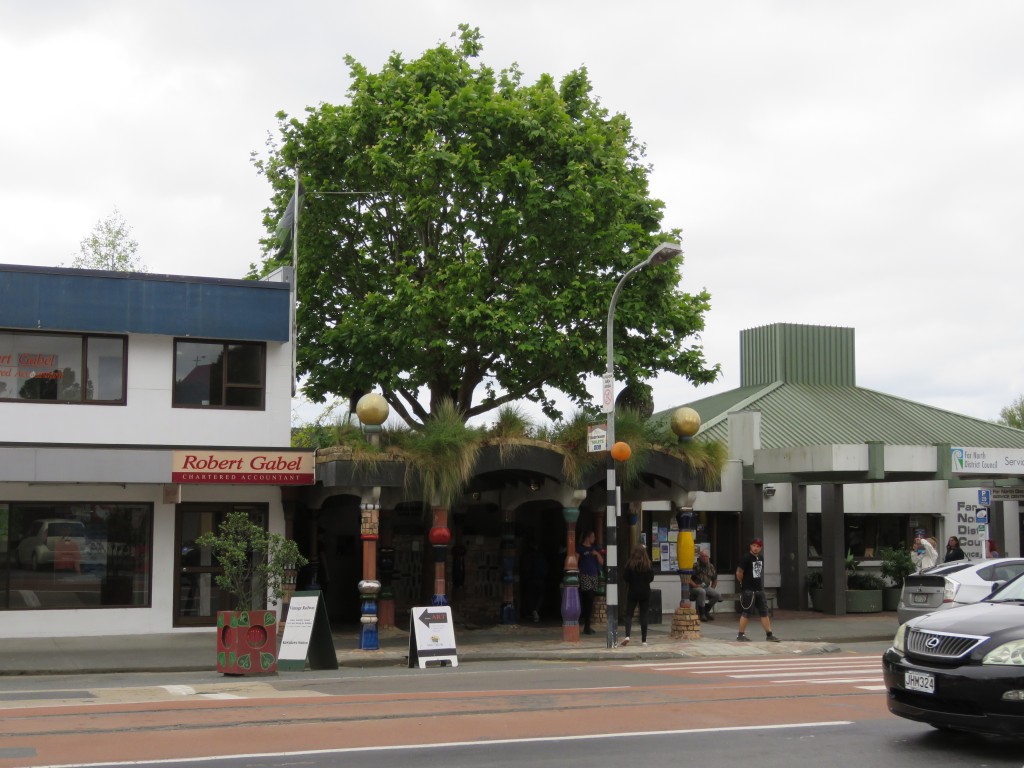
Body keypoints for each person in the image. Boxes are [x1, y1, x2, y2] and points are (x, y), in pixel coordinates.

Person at [735, 538, 780, 642]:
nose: (756, 548)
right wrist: (743, 583)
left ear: (760, 548)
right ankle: (740, 635)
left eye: (758, 546)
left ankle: (769, 634)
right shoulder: (746, 558)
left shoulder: (760, 558)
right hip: (748, 589)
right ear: (751, 546)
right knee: (747, 612)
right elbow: (739, 572)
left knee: (764, 612)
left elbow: (758, 572)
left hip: (759, 589)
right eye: (754, 546)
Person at [620, 544, 654, 646]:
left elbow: (625, 577)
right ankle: (644, 640)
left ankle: (627, 636)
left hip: (633, 591)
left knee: (629, 614)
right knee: (644, 615)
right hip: (645, 592)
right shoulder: (648, 564)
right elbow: (651, 578)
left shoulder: (630, 564)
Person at [576, 531, 604, 635]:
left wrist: (596, 554)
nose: (594, 538)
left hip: (594, 575)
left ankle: (587, 625)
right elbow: (575, 559)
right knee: (587, 597)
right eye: (592, 536)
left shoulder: (595, 548)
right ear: (587, 537)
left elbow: (602, 562)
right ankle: (585, 623)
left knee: (591, 600)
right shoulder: (580, 548)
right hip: (584, 575)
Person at [690, 548, 721, 621]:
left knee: (717, 595)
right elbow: (688, 578)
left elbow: (714, 579)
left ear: (708, 557)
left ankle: (706, 611)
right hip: (694, 587)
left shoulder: (711, 566)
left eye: (706, 556)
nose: (704, 558)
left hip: (706, 587)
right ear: (699, 557)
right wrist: (694, 585)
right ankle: (702, 614)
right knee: (702, 592)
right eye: (703, 556)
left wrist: (712, 589)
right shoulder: (695, 566)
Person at [521, 539, 548, 622]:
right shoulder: (541, 555)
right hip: (539, 578)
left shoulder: (528, 555)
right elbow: (544, 567)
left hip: (531, 578)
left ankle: (533, 610)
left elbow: (525, 568)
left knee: (530, 596)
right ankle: (536, 610)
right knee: (540, 595)